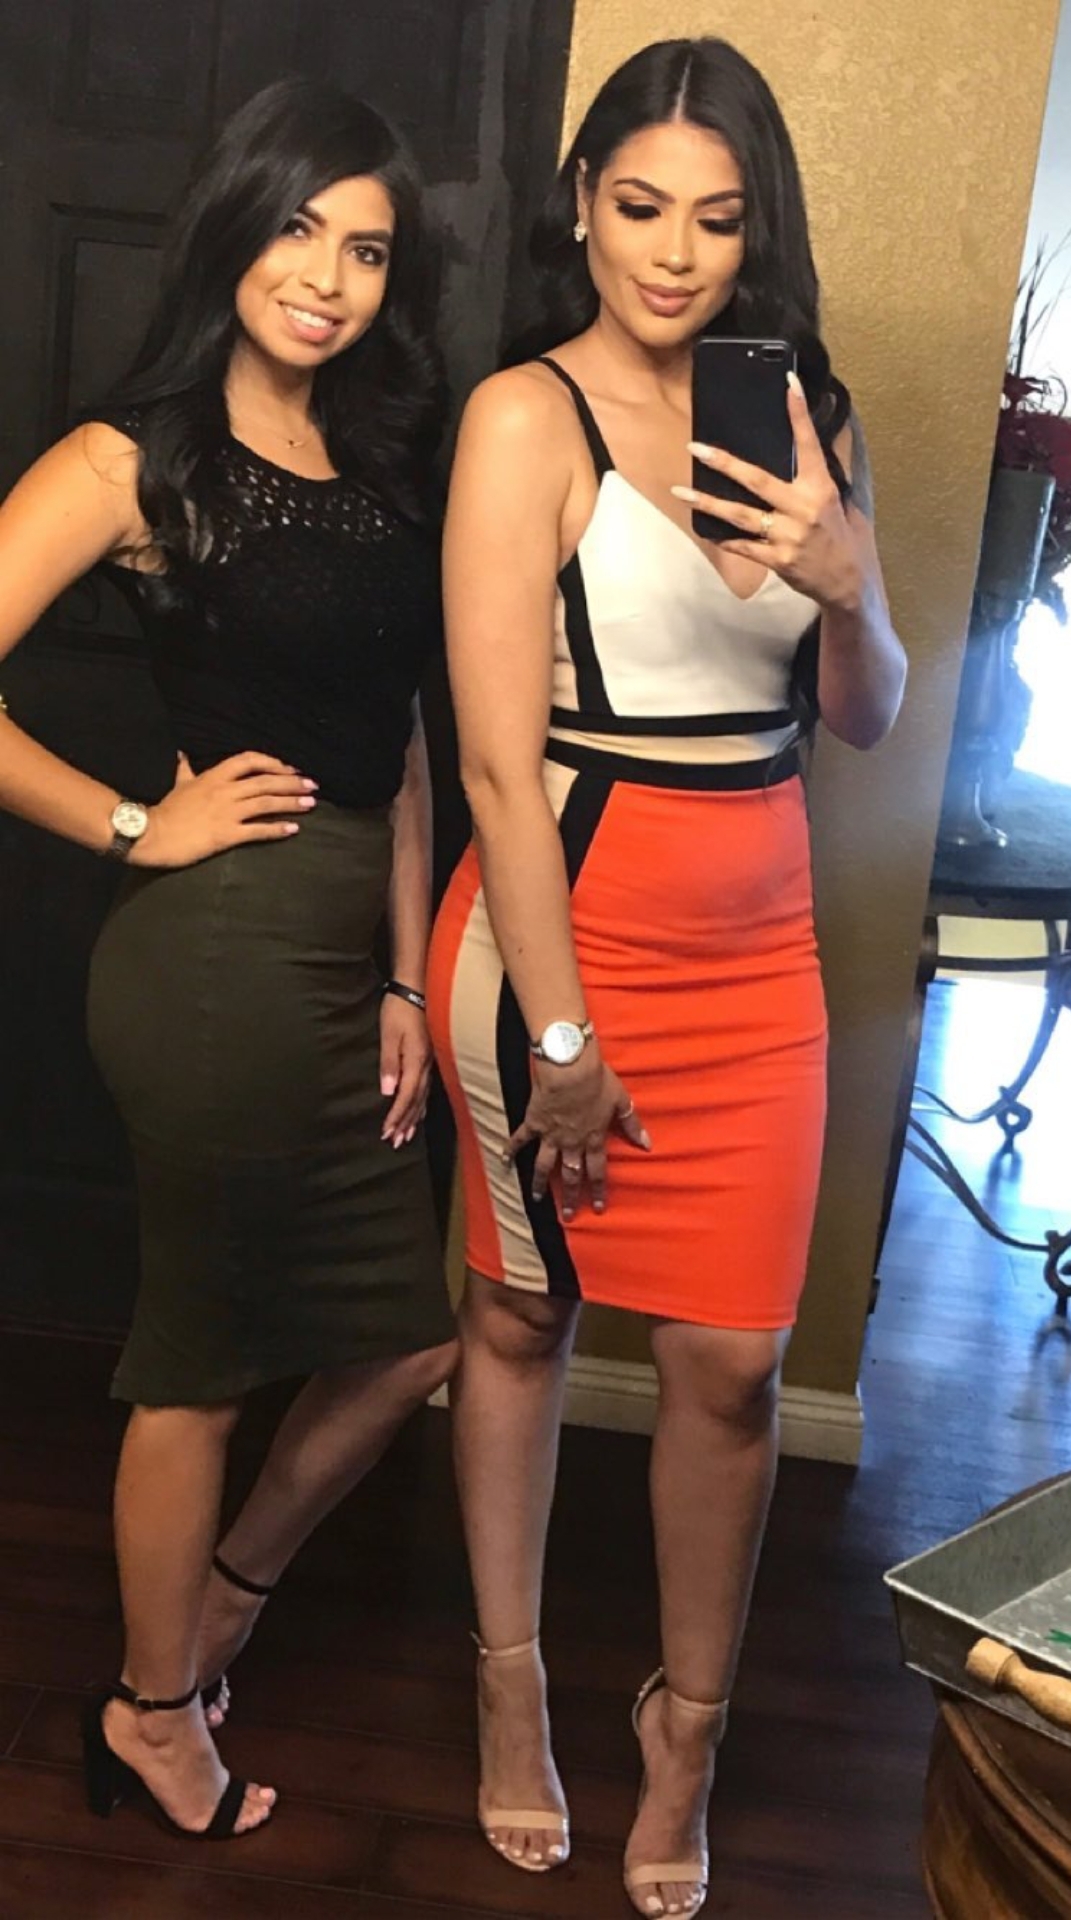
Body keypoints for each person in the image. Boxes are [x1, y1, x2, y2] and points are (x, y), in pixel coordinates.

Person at [427, 35, 906, 1918]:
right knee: (519, 1324)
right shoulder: (522, 417)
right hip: (560, 942)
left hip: (757, 959)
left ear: (755, 229)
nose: (675, 252)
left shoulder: (807, 413)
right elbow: (492, 765)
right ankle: (512, 1685)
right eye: (640, 206)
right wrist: (559, 1033)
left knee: (733, 1370)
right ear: (582, 205)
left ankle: (684, 1729)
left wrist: (851, 581)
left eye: (716, 217)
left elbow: (862, 719)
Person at [0, 78, 458, 1840]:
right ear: (233, 224)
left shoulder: (386, 457)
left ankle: (220, 1610)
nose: (328, 278)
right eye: (298, 228)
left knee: (404, 1344)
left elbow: (404, 748)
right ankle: (151, 1712)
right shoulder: (134, 456)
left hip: (347, 960)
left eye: (367, 251)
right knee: (195, 1359)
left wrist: (408, 978)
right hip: (213, 967)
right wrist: (138, 823)